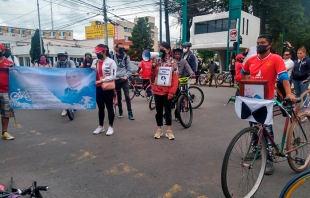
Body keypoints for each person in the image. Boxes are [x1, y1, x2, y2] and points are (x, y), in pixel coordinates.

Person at [241, 34, 296, 175]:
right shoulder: (251, 60)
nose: (260, 45)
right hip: (253, 99)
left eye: (263, 42)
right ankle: (256, 151)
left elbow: (284, 77)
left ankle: (270, 157)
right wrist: (244, 87)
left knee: (267, 130)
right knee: (253, 126)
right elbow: (243, 73)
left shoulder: (276, 59)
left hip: (267, 100)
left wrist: (289, 93)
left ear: (269, 45)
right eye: (258, 42)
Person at [150, 42, 178, 140]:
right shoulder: (156, 61)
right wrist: (153, 67)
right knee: (158, 112)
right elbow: (152, 77)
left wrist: (171, 92)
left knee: (168, 111)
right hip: (157, 91)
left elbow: (175, 78)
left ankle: (169, 130)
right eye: (160, 48)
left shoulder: (173, 62)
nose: (161, 50)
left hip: (167, 92)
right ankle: (159, 129)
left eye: (163, 49)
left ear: (168, 50)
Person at [91, 44, 117, 136]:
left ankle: (110, 127)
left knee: (109, 107)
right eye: (96, 52)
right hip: (98, 88)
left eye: (99, 52)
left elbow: (113, 76)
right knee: (100, 107)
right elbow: (92, 73)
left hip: (107, 88)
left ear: (104, 51)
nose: (97, 54)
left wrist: (102, 80)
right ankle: (101, 126)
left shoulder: (111, 62)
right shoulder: (95, 61)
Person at [112, 42, 134, 120]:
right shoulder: (112, 57)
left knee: (127, 96)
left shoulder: (126, 57)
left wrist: (126, 76)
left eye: (123, 48)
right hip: (116, 79)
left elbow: (129, 70)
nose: (121, 49)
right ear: (116, 48)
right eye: (120, 48)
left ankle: (130, 113)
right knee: (119, 97)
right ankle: (120, 111)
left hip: (124, 79)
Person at [53, 50, 76, 116]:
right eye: (60, 57)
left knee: (72, 92)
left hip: (69, 79)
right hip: (61, 81)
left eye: (63, 56)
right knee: (63, 94)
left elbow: (74, 70)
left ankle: (73, 104)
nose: (62, 58)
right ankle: (65, 108)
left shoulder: (70, 62)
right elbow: (53, 71)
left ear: (66, 57)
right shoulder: (56, 63)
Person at [0, 43, 15, 140]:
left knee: (6, 114)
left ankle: (4, 132)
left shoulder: (9, 63)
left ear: (3, 51)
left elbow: (17, 76)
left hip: (6, 92)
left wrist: (13, 69)